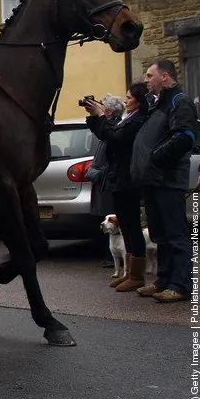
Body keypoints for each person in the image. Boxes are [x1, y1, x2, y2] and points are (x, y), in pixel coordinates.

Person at [130, 60, 197, 303]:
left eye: (150, 75)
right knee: (159, 234)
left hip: (167, 179)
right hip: (152, 180)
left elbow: (184, 137)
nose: (146, 80)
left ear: (165, 77)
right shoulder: (160, 104)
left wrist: (155, 158)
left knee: (175, 234)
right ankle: (163, 280)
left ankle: (180, 285)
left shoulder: (180, 102)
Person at [84, 83, 151, 291]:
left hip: (128, 178)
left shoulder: (138, 120)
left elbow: (115, 137)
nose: (126, 101)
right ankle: (131, 272)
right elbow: (107, 135)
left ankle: (137, 275)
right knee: (126, 225)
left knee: (132, 225)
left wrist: (100, 117)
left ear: (138, 102)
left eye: (129, 98)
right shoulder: (128, 119)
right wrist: (96, 117)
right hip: (119, 177)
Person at [82, 93, 128, 268]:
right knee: (106, 218)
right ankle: (112, 257)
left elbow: (111, 152)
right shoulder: (107, 126)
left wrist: (98, 173)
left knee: (113, 218)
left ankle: (115, 257)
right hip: (102, 180)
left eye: (103, 106)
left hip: (107, 180)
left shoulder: (115, 127)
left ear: (109, 110)